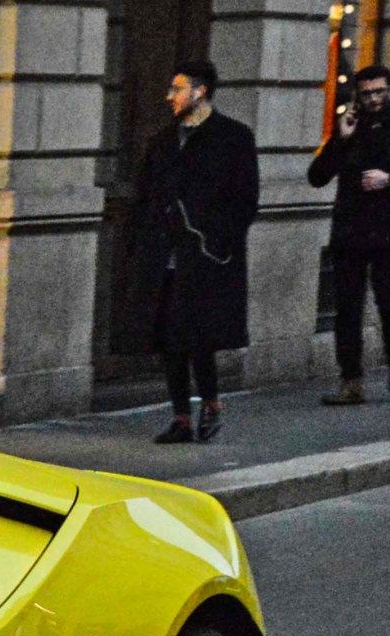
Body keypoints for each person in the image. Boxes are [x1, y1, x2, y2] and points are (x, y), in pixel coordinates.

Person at [117, 60, 258, 444]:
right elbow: (143, 196)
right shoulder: (163, 141)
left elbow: (245, 202)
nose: (169, 96)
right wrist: (136, 243)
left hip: (206, 257)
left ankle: (210, 403)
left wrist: (215, 241)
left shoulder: (233, 138)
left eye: (177, 89)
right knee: (168, 337)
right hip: (164, 254)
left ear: (199, 91)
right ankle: (181, 415)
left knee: (200, 337)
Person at [308, 64, 390, 404]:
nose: (373, 98)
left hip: (389, 231)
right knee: (347, 308)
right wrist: (340, 138)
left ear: (389, 90)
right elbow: (317, 176)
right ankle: (351, 380)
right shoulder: (349, 130)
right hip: (350, 231)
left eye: (379, 91)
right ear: (358, 95)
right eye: (367, 93)